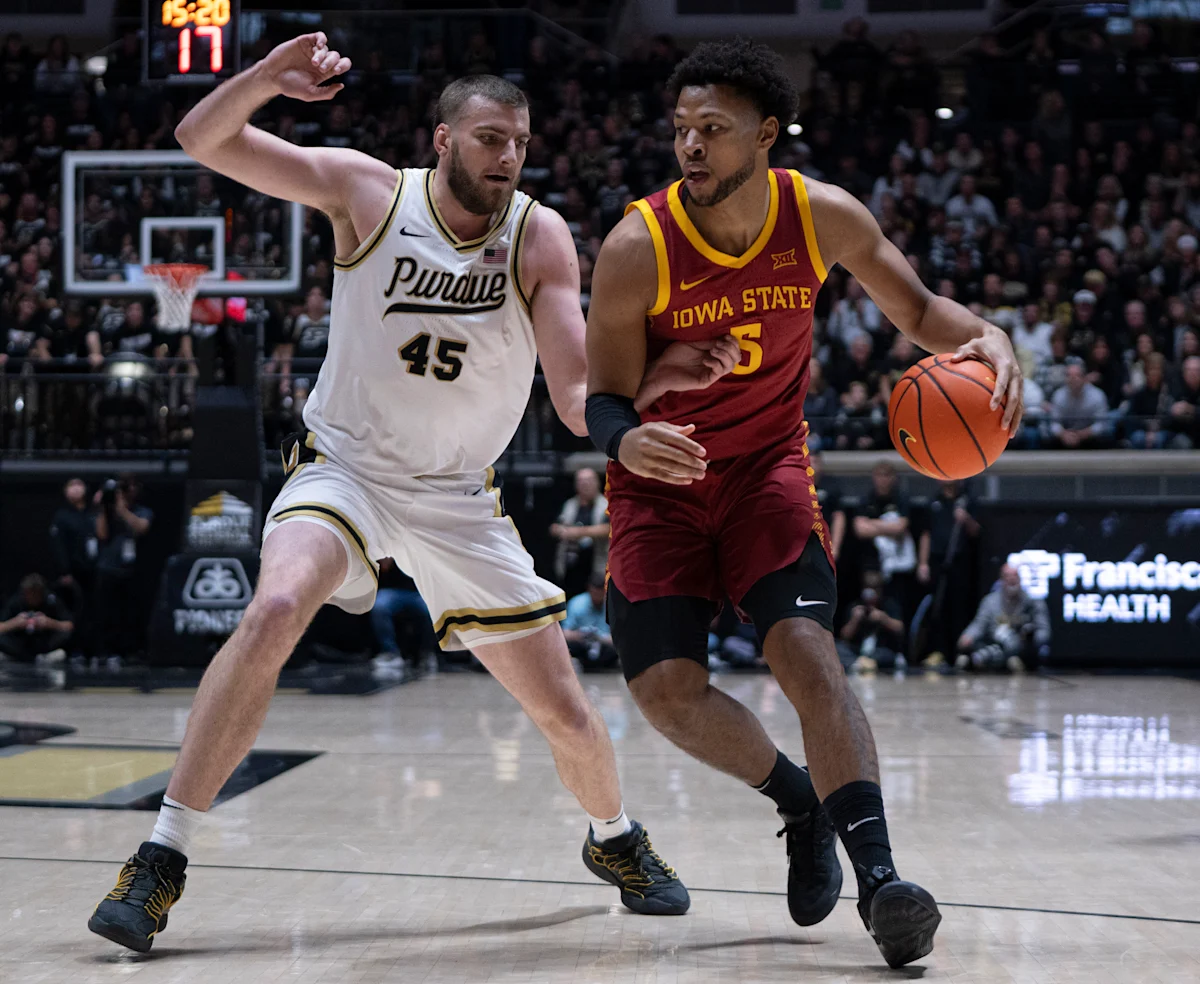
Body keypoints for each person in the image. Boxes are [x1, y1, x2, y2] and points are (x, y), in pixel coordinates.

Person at [89, 34, 732, 952]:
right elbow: (203, 138)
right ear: (442, 139)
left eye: (519, 143)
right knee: (274, 607)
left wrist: (653, 385)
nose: (507, 158)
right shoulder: (368, 193)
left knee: (565, 713)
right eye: (490, 139)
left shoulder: (538, 235)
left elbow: (572, 395)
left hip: (457, 498)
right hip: (347, 469)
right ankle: (162, 855)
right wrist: (266, 78)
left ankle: (614, 836)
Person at [585, 38, 1021, 968]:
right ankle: (798, 801)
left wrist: (988, 334)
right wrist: (627, 437)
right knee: (665, 694)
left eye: (712, 128)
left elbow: (919, 312)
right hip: (660, 487)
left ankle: (884, 883)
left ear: (766, 135)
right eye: (681, 129)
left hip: (766, 472)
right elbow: (604, 400)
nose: (690, 145)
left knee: (809, 654)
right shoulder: (636, 246)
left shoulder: (820, 216)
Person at [93, 473, 153, 664]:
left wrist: (122, 509)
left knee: (129, 613)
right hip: (108, 567)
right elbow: (101, 534)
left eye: (133, 486)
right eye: (126, 486)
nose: (130, 490)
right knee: (106, 612)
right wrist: (104, 506)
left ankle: (130, 650)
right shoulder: (107, 511)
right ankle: (105, 651)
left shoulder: (141, 511)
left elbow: (141, 528)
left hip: (131, 569)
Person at [957, 564, 1050, 673]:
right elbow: (979, 624)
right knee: (996, 640)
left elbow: (1045, 632)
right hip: (996, 643)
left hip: (1024, 649)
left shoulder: (1033, 602)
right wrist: (968, 636)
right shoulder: (990, 602)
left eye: (1015, 575)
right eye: (1007, 576)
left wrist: (1030, 638)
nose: (1011, 579)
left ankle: (975, 660)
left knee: (1015, 644)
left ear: (1020, 579)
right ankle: (986, 660)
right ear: (1001, 580)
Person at [550, 467, 609, 599]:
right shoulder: (570, 505)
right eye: (581, 481)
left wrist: (578, 532)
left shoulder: (605, 504)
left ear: (597, 483)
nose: (585, 484)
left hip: (597, 566)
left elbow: (608, 528)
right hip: (571, 567)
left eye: (589, 480)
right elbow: (554, 527)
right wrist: (561, 530)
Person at [369, 557, 435, 672]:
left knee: (431, 609)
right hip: (393, 590)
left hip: (419, 592)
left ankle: (426, 652)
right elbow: (384, 567)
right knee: (379, 606)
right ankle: (390, 653)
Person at [48, 476, 97, 629]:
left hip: (93, 570)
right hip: (72, 573)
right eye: (71, 485)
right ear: (65, 491)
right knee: (72, 609)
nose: (75, 488)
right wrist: (64, 571)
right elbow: (58, 546)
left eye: (79, 484)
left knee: (92, 609)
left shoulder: (93, 514)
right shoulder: (62, 516)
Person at [836, 570, 906, 673]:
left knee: (888, 655)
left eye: (875, 588)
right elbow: (844, 636)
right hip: (858, 651)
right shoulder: (855, 606)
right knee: (838, 647)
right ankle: (860, 664)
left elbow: (900, 629)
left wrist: (884, 619)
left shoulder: (888, 605)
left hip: (880, 650)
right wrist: (854, 620)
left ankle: (864, 664)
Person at [0, 574, 74, 665]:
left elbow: (69, 625)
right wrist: (15, 623)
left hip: (44, 644)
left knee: (66, 636)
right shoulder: (16, 601)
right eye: (29, 593)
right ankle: (14, 657)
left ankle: (45, 657)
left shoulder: (51, 600)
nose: (32, 596)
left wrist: (49, 623)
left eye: (36, 594)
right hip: (19, 644)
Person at [562, 573, 617, 671]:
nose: (597, 597)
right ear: (589, 590)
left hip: (605, 645)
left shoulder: (613, 605)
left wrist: (600, 638)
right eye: (595, 593)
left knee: (617, 649)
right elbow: (564, 633)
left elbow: (619, 637)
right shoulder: (576, 604)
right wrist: (580, 635)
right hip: (581, 644)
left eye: (600, 594)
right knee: (569, 647)